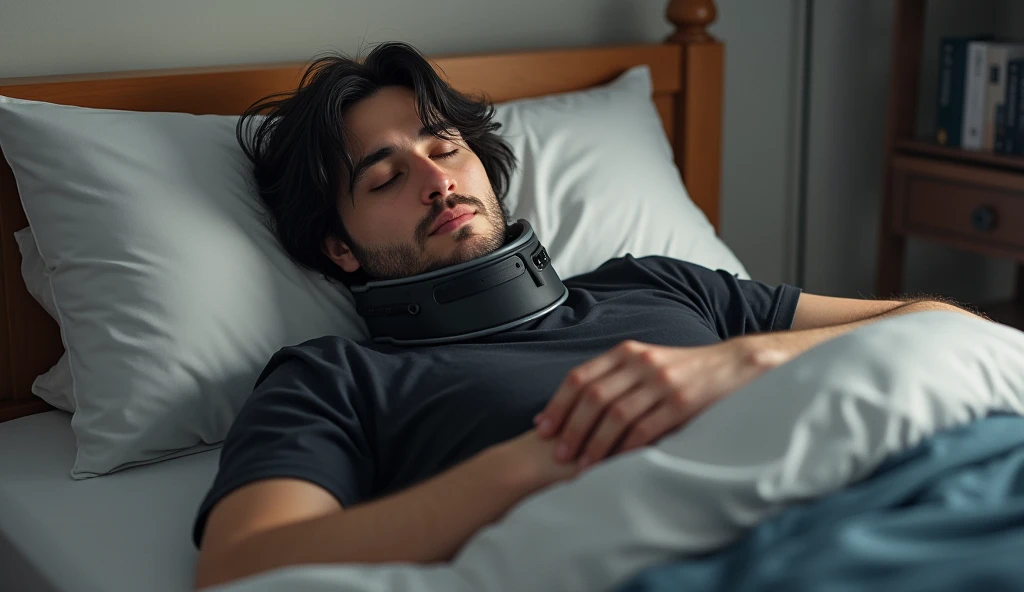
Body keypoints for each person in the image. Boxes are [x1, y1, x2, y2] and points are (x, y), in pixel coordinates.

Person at [192, 42, 975, 590]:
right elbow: (242, 568)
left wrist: (752, 359)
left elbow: (934, 319)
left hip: (916, 505)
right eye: (386, 176)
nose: (436, 180)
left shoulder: (656, 282)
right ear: (341, 249)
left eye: (445, 146)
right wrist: (553, 453)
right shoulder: (335, 378)